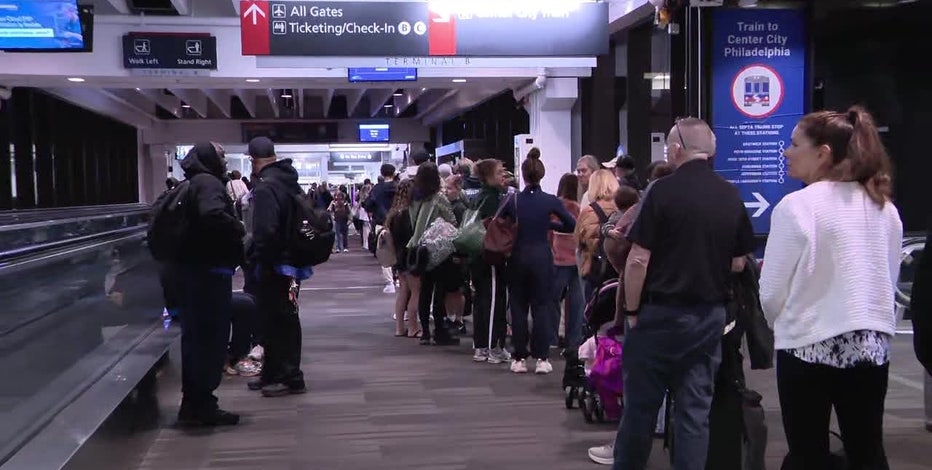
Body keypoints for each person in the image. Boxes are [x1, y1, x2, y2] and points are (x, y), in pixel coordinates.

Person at [607, 117, 755, 470]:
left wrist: (630, 312)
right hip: (707, 318)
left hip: (657, 317)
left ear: (676, 150)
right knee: (694, 412)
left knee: (640, 410)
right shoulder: (730, 194)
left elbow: (638, 259)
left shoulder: (660, 192)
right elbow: (738, 263)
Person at [759, 106, 902, 469]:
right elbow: (888, 277)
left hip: (808, 346)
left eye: (793, 144)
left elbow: (772, 291)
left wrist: (783, 323)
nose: (786, 152)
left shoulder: (796, 206)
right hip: (870, 346)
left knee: (808, 453)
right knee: (868, 449)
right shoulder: (883, 207)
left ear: (822, 153)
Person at [174, 142, 245, 426]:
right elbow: (212, 215)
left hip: (193, 273)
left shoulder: (193, 182)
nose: (225, 160)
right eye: (221, 155)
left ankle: (195, 403)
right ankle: (201, 404)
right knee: (209, 340)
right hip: (208, 274)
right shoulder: (208, 184)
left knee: (196, 340)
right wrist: (237, 227)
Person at [499, 148, 576, 374]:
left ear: (522, 174)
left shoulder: (512, 200)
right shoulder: (550, 200)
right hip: (543, 256)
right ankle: (542, 358)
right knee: (542, 307)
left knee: (519, 306)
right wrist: (548, 225)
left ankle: (518, 358)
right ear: (541, 174)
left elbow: (498, 223)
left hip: (517, 256)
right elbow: (571, 225)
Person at [247, 136, 309, 398]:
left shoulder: (265, 188)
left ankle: (290, 376)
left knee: (279, 320)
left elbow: (266, 231)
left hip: (275, 266)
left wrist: (258, 258)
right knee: (283, 317)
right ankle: (274, 372)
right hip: (294, 265)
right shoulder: (290, 182)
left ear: (253, 160)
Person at [407, 162, 460, 346]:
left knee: (424, 291)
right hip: (437, 250)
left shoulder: (414, 197)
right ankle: (439, 331)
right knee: (440, 290)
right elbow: (451, 221)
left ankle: (425, 334)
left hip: (417, 247)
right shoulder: (439, 198)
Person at [470, 159, 511, 364]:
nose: (503, 174)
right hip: (490, 255)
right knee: (493, 300)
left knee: (482, 299)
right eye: (499, 171)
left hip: (478, 255)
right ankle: (492, 346)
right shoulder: (493, 198)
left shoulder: (480, 196)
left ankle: (482, 346)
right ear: (487, 176)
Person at [550, 173, 585, 349]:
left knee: (552, 300)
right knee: (577, 304)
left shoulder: (556, 208)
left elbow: (548, 233)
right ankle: (574, 341)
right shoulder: (580, 209)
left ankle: (552, 338)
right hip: (577, 261)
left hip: (558, 260)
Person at [576, 169, 620, 300]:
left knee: (592, 311)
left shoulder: (588, 211)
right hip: (618, 270)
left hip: (594, 270)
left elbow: (579, 241)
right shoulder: (622, 208)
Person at [385, 180, 421, 337]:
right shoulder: (411, 213)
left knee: (403, 292)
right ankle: (413, 327)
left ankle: (400, 328)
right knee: (416, 292)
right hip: (411, 255)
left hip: (398, 256)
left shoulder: (393, 214)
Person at [365, 164, 399, 294]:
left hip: (382, 223)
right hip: (399, 221)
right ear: (394, 172)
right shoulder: (399, 186)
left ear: (381, 173)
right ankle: (400, 278)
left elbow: (368, 205)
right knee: (400, 250)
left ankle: (390, 282)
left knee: (385, 252)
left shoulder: (377, 189)